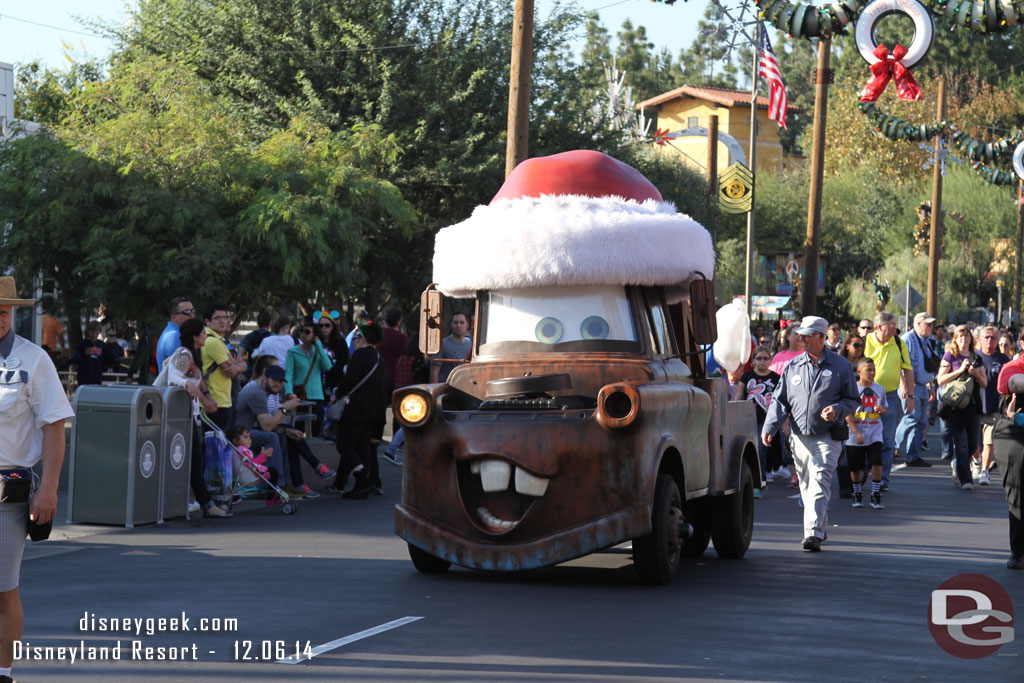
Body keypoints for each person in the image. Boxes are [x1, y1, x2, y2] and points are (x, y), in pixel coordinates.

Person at [0, 277, 76, 683]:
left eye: (5, 310)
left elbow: (54, 425)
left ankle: (3, 672)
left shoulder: (33, 360)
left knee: (2, 591)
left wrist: (48, 488)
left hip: (6, 492)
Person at [762, 315, 860, 552]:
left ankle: (812, 534)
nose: (801, 340)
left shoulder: (840, 366)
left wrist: (837, 409)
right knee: (807, 487)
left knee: (819, 480)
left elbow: (853, 400)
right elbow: (780, 400)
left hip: (828, 436)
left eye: (807, 336)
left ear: (821, 337)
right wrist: (770, 427)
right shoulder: (793, 366)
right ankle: (819, 526)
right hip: (799, 437)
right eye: (800, 336)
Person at [166, 318, 232, 518]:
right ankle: (206, 504)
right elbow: (173, 376)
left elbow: (198, 378)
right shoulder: (185, 355)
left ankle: (203, 502)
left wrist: (207, 396)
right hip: (181, 416)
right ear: (195, 337)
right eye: (203, 333)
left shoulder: (194, 355)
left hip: (189, 415)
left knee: (195, 459)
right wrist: (187, 385)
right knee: (195, 460)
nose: (206, 336)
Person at [327, 322, 389, 498]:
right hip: (373, 411)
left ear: (363, 339)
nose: (353, 341)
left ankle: (363, 480)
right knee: (362, 446)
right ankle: (363, 483)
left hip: (356, 409)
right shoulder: (378, 357)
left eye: (355, 338)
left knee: (344, 445)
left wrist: (337, 394)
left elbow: (349, 380)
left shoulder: (360, 355)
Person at [864, 311, 914, 490]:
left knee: (887, 438)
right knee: (864, 434)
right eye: (891, 325)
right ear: (879, 327)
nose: (894, 328)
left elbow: (907, 370)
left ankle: (882, 479)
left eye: (894, 325)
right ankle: (861, 473)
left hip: (890, 396)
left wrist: (910, 396)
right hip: (866, 396)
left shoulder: (899, 343)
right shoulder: (866, 341)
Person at [936, 324, 987, 490]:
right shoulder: (950, 356)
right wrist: (959, 371)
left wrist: (974, 373)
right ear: (955, 340)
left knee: (973, 444)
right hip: (956, 406)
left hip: (973, 406)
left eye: (967, 336)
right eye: (960, 337)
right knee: (962, 444)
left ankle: (958, 463)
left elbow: (984, 383)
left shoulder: (976, 357)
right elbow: (940, 380)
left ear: (971, 339)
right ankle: (966, 479)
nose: (964, 339)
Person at [894, 312, 938, 468]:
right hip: (911, 385)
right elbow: (898, 363)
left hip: (924, 386)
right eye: (928, 324)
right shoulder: (907, 339)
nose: (931, 327)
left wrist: (931, 385)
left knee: (922, 421)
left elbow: (929, 364)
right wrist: (904, 384)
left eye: (932, 325)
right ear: (918, 324)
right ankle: (892, 447)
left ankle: (913, 455)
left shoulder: (928, 341)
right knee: (912, 417)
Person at [844, 357, 888, 509]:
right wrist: (856, 432)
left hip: (875, 431)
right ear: (859, 372)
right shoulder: (852, 389)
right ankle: (857, 493)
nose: (872, 373)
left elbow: (885, 408)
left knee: (877, 461)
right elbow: (847, 413)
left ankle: (875, 494)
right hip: (855, 434)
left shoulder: (879, 389)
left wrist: (881, 410)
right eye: (868, 370)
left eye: (873, 369)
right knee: (856, 467)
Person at [995, 344, 1024, 568]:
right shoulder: (1012, 367)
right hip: (1015, 437)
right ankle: (1019, 553)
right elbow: (1013, 383)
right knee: (1018, 497)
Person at [738, 346, 781, 498]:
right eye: (759, 358)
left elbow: (781, 401)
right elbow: (739, 397)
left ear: (770, 360)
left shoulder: (776, 378)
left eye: (765, 358)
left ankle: (759, 483)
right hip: (749, 418)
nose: (762, 361)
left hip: (767, 420)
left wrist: (784, 422)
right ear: (753, 360)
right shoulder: (747, 376)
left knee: (761, 451)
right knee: (750, 450)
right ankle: (753, 481)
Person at [200, 304, 247, 432]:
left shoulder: (220, 340)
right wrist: (238, 366)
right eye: (218, 318)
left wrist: (238, 366)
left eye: (226, 317)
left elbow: (240, 365)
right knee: (217, 446)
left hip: (222, 400)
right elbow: (231, 371)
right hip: (215, 402)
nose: (223, 321)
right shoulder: (212, 341)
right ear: (207, 322)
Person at [972, 325, 1008, 486]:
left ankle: (985, 471)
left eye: (993, 337)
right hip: (973, 406)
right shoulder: (973, 357)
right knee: (973, 442)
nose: (990, 340)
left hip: (994, 407)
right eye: (986, 337)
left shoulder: (1003, 360)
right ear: (979, 339)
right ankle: (976, 460)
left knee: (989, 441)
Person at [224, 426, 283, 505]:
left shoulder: (235, 450)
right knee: (273, 471)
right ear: (235, 441)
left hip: (246, 477)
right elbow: (251, 464)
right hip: (251, 477)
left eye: (249, 437)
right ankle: (271, 497)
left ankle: (272, 495)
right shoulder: (242, 450)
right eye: (245, 437)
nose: (249, 440)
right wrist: (262, 455)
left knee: (271, 471)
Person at [61, 321, 118, 386]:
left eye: (96, 333)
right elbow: (76, 357)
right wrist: (64, 365)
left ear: (99, 332)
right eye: (92, 333)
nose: (94, 335)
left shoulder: (102, 345)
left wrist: (115, 359)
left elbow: (109, 357)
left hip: (97, 377)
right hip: (84, 377)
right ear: (88, 332)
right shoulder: (83, 344)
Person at [430, 312, 472, 383]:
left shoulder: (471, 345)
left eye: (462, 322)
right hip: (447, 390)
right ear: (451, 325)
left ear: (467, 325)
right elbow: (434, 370)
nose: (458, 325)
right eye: (455, 322)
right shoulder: (442, 344)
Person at [156, 297, 195, 369]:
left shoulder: (174, 333)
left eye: (193, 311)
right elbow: (185, 367)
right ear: (174, 317)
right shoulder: (174, 336)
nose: (192, 315)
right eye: (187, 312)